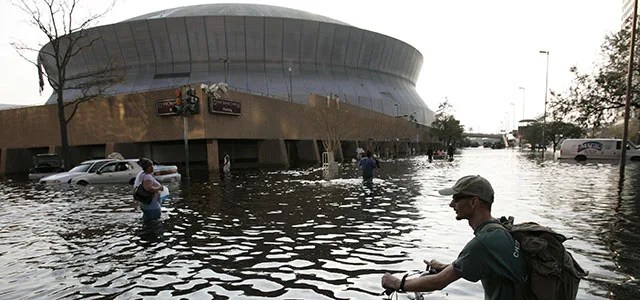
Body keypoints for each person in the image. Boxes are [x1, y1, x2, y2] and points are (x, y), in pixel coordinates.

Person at [381, 175, 528, 299]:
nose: (451, 204)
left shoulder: (483, 243)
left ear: (473, 202)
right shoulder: (498, 229)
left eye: (456, 199)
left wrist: (397, 283)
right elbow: (479, 263)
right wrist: (445, 267)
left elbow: (438, 282)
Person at [134, 158, 164, 222]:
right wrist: (159, 188)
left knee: (147, 221)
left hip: (146, 204)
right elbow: (148, 188)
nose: (152, 167)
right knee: (154, 223)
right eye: (150, 166)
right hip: (152, 205)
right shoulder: (147, 176)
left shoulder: (142, 175)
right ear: (146, 167)